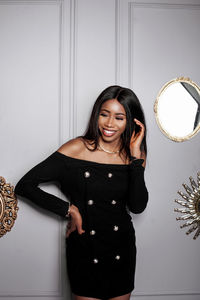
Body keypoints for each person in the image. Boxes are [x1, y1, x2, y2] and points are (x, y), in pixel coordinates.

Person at [14, 85, 148, 300]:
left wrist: (135, 159)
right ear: (97, 115)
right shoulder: (77, 148)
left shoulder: (134, 157)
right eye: (104, 114)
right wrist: (68, 209)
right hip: (86, 247)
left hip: (121, 249)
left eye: (119, 117)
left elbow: (137, 206)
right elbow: (25, 185)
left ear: (131, 122)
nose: (110, 123)